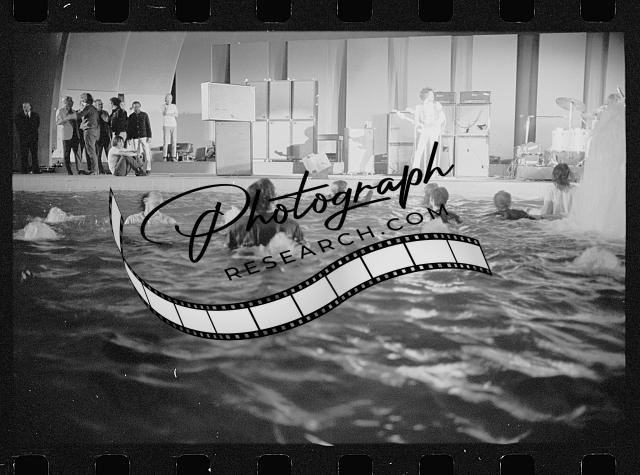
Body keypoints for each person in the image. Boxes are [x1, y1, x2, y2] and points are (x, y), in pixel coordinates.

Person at [226, 178, 304, 249]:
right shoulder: (292, 225)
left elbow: (228, 252)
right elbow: (301, 251)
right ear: (274, 199)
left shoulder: (236, 226)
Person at [76, 93, 104, 175]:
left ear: (84, 100)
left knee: (91, 151)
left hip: (89, 131)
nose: (81, 101)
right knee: (93, 151)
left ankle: (95, 170)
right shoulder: (94, 108)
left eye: (81, 99)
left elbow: (79, 115)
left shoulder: (88, 107)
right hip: (94, 131)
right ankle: (95, 170)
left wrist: (79, 110)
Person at [55, 96, 82, 175]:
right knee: (67, 153)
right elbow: (58, 122)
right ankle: (69, 170)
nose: (71, 102)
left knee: (78, 153)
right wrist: (67, 118)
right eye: (69, 101)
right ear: (65, 102)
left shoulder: (74, 111)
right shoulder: (60, 110)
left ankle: (80, 169)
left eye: (71, 101)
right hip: (66, 135)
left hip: (75, 134)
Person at [126, 101, 152, 175]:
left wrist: (149, 136)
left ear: (140, 106)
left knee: (147, 152)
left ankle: (148, 168)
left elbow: (148, 126)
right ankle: (140, 168)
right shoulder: (131, 116)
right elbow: (129, 128)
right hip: (135, 137)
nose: (136, 108)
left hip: (144, 136)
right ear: (133, 107)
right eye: (134, 107)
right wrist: (129, 138)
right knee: (137, 154)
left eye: (137, 106)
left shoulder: (144, 115)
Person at [14, 102, 40, 173]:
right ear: (22, 108)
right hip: (23, 138)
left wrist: (30, 132)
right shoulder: (18, 116)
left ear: (30, 107)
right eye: (24, 107)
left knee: (34, 154)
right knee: (24, 154)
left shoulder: (35, 115)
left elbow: (36, 125)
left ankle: (35, 170)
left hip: (33, 138)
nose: (25, 108)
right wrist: (25, 132)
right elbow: (18, 126)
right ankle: (24, 170)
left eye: (27, 106)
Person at [94, 99, 112, 174]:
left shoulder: (105, 112)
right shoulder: (93, 113)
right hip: (98, 137)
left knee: (110, 155)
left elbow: (108, 121)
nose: (101, 105)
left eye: (101, 104)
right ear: (95, 105)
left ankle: (112, 169)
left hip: (106, 136)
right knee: (98, 155)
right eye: (99, 104)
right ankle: (100, 170)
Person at [161, 93, 178, 161]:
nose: (169, 99)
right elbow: (164, 113)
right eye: (167, 98)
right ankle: (164, 156)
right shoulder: (163, 106)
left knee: (174, 141)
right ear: (165, 99)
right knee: (166, 141)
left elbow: (176, 115)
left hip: (174, 125)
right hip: (166, 125)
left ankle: (173, 156)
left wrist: (170, 114)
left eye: (170, 98)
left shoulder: (174, 106)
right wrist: (167, 109)